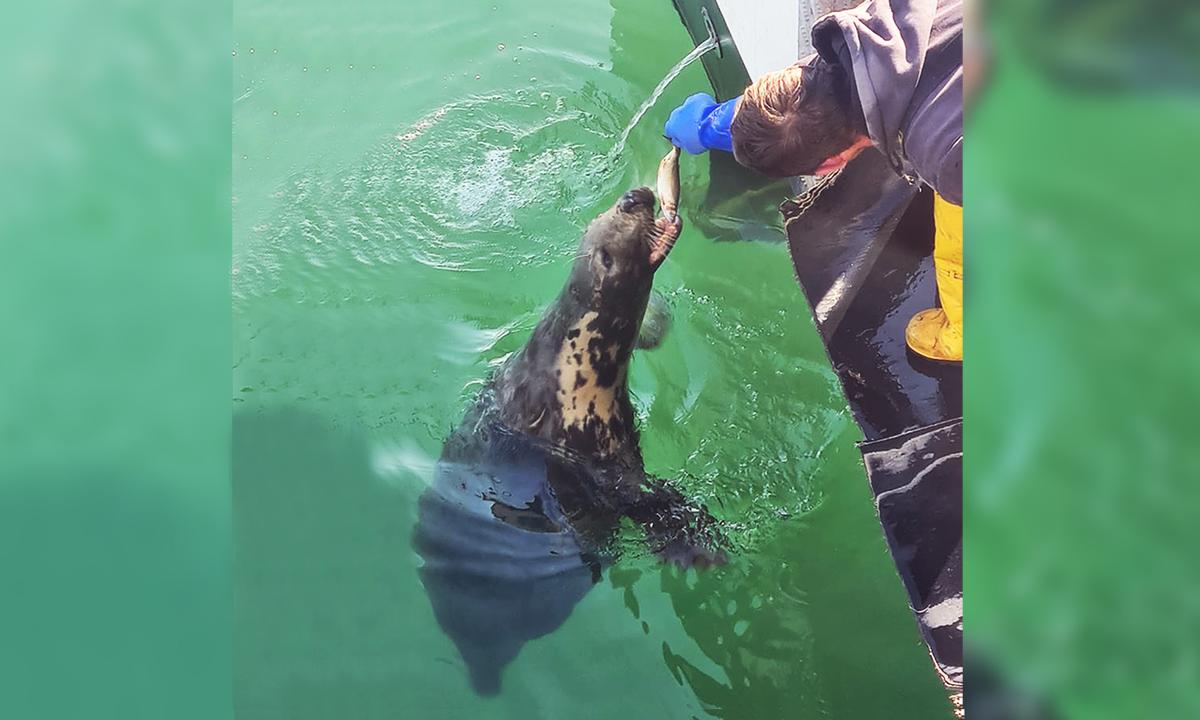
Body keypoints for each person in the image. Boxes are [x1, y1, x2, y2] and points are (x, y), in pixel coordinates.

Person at [665, 0, 963, 363]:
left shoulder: (947, 153)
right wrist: (713, 124)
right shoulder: (874, 26)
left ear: (829, 166)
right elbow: (805, 91)